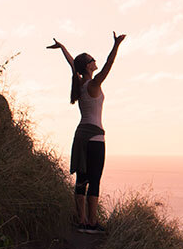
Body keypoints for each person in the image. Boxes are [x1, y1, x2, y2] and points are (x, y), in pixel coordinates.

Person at [47, 32, 126, 232]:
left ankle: (80, 220)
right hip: (95, 137)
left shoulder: (79, 82)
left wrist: (63, 47)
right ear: (89, 66)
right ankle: (92, 222)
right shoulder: (93, 83)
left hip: (80, 135)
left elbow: (72, 63)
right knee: (95, 180)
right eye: (92, 59)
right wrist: (116, 45)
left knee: (81, 179)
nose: (95, 61)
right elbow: (108, 64)